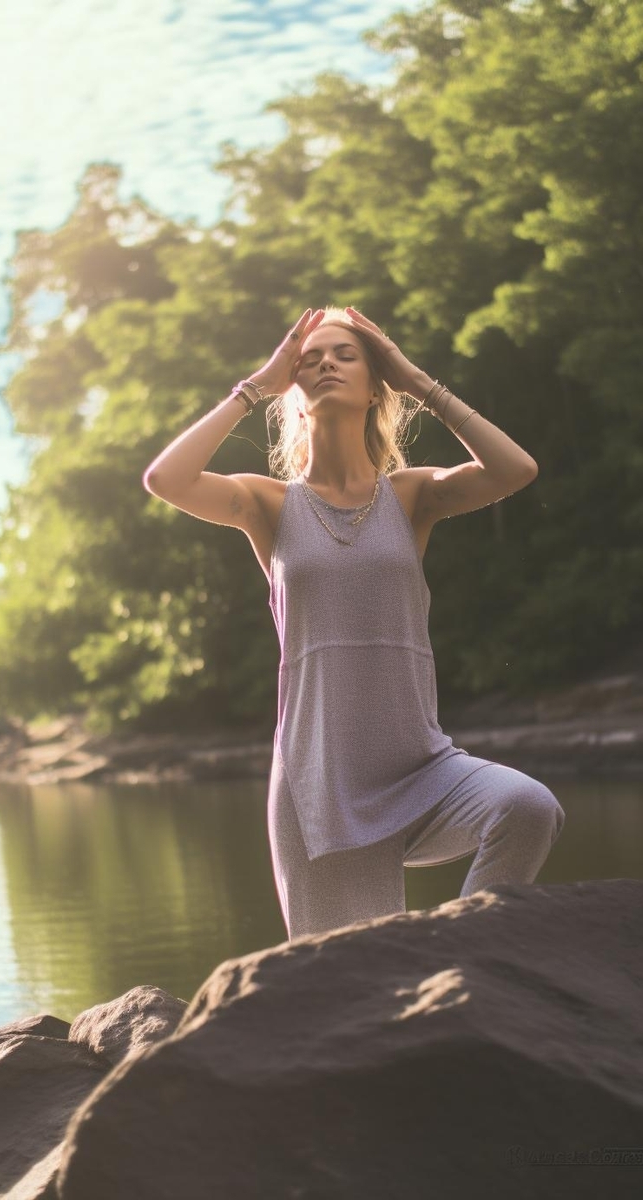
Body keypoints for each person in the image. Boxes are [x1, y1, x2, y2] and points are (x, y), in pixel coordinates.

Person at [143, 305, 565, 941]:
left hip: (422, 766)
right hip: (321, 785)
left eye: (345, 354)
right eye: (309, 359)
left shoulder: (412, 495)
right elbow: (165, 479)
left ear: (375, 387)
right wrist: (255, 385)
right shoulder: (268, 504)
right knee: (349, 988)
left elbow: (516, 470)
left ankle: (467, 962)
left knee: (528, 807)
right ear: (295, 395)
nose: (325, 363)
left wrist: (419, 381)